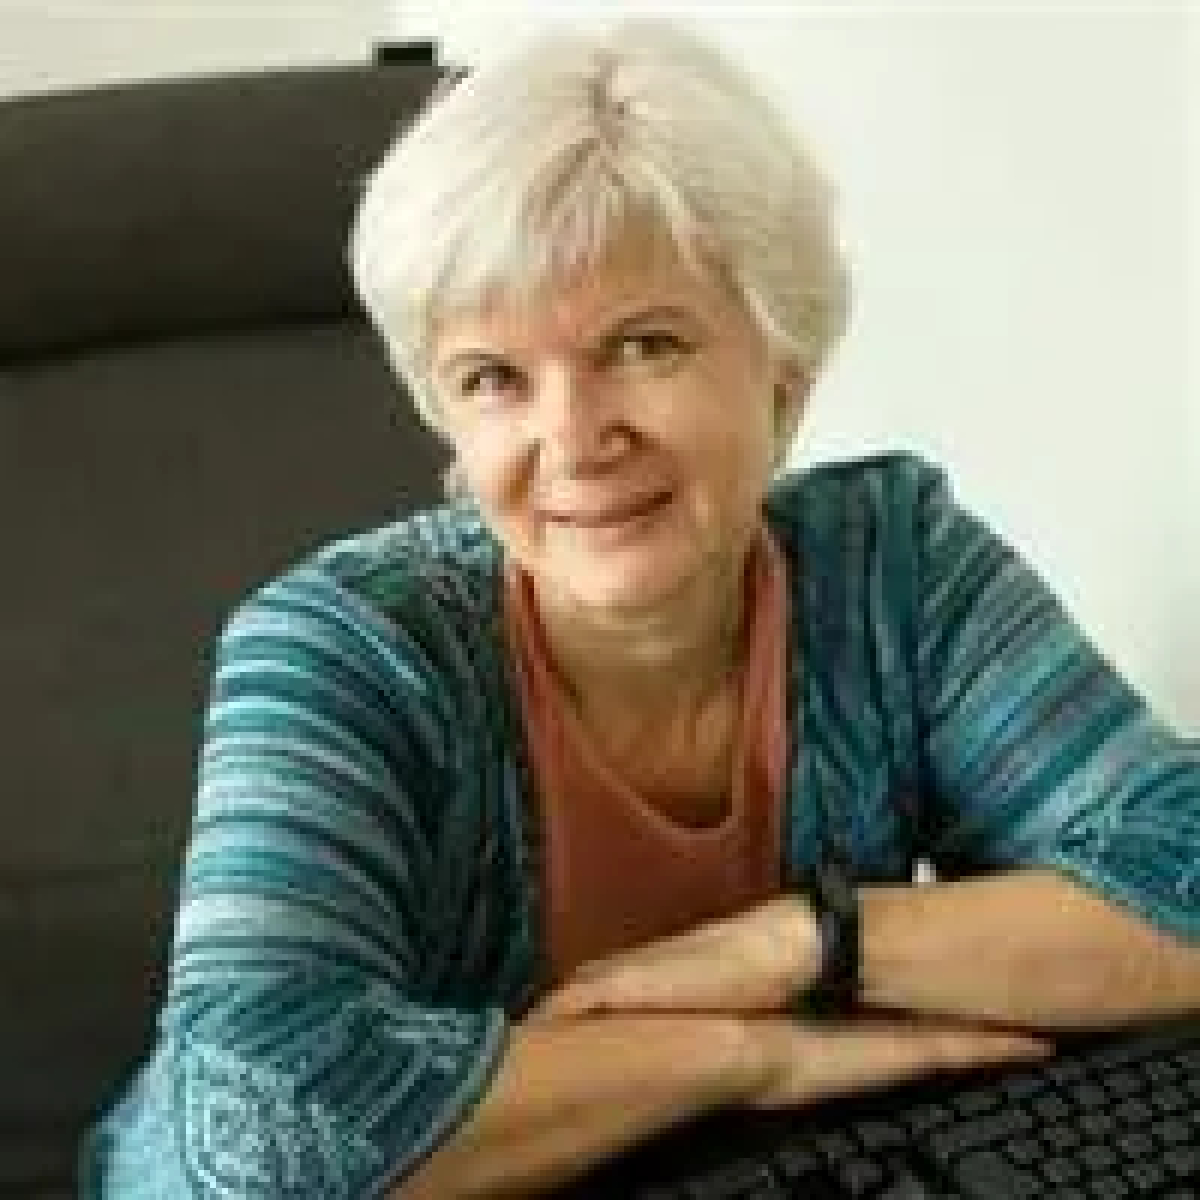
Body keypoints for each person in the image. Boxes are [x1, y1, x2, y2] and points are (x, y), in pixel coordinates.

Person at [80, 16, 1200, 1199]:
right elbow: (256, 1138)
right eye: (495, 379)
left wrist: (807, 943)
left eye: (643, 345)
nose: (574, 439)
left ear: (783, 375)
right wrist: (742, 1055)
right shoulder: (339, 647)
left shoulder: (892, 566)